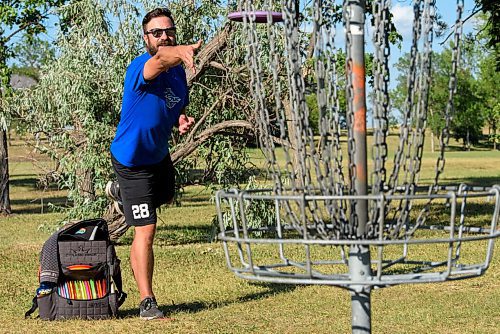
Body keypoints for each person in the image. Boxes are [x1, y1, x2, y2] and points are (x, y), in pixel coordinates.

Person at [106, 7, 201, 320]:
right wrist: (179, 52)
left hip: (159, 156)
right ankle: (147, 301)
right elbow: (160, 60)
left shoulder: (177, 76)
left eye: (168, 31)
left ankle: (123, 195)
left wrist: (180, 121)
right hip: (132, 163)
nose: (164, 36)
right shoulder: (141, 67)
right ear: (146, 38)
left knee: (165, 198)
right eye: (156, 33)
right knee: (146, 229)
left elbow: (171, 108)